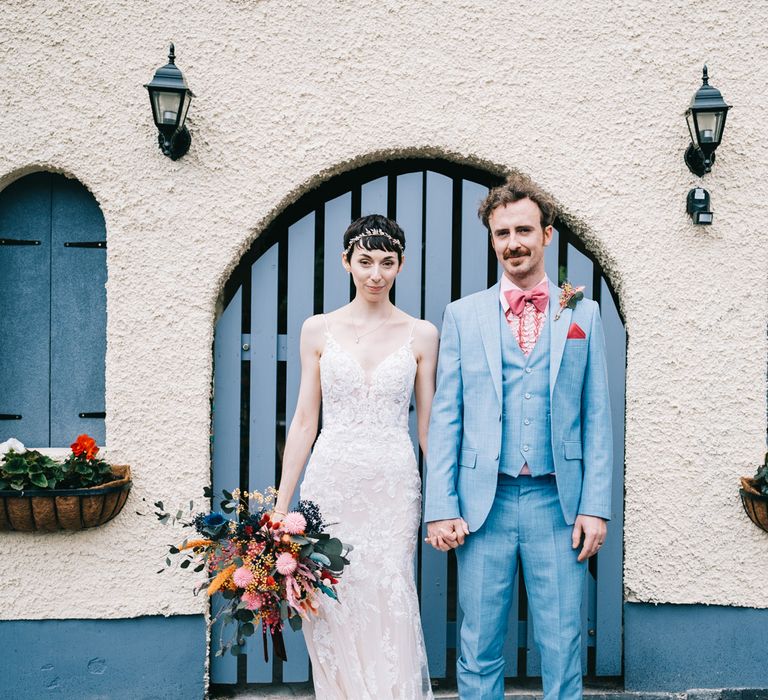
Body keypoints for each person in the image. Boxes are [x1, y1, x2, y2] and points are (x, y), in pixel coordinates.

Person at [424, 174, 612, 700]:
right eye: (502, 233)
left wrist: (595, 506)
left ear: (547, 236)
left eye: (524, 230)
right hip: (485, 504)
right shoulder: (462, 316)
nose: (514, 243)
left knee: (562, 644)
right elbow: (447, 417)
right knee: (478, 644)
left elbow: (596, 416)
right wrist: (441, 505)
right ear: (492, 239)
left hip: (560, 501)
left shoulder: (583, 313)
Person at [273, 214, 439, 699]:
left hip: (392, 483)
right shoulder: (317, 330)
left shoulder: (422, 334)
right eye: (365, 261)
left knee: (390, 592)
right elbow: (305, 421)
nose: (375, 274)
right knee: (333, 594)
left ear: (401, 266)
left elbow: (427, 428)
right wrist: (282, 508)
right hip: (333, 481)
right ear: (346, 262)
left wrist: (444, 501)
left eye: (387, 263)